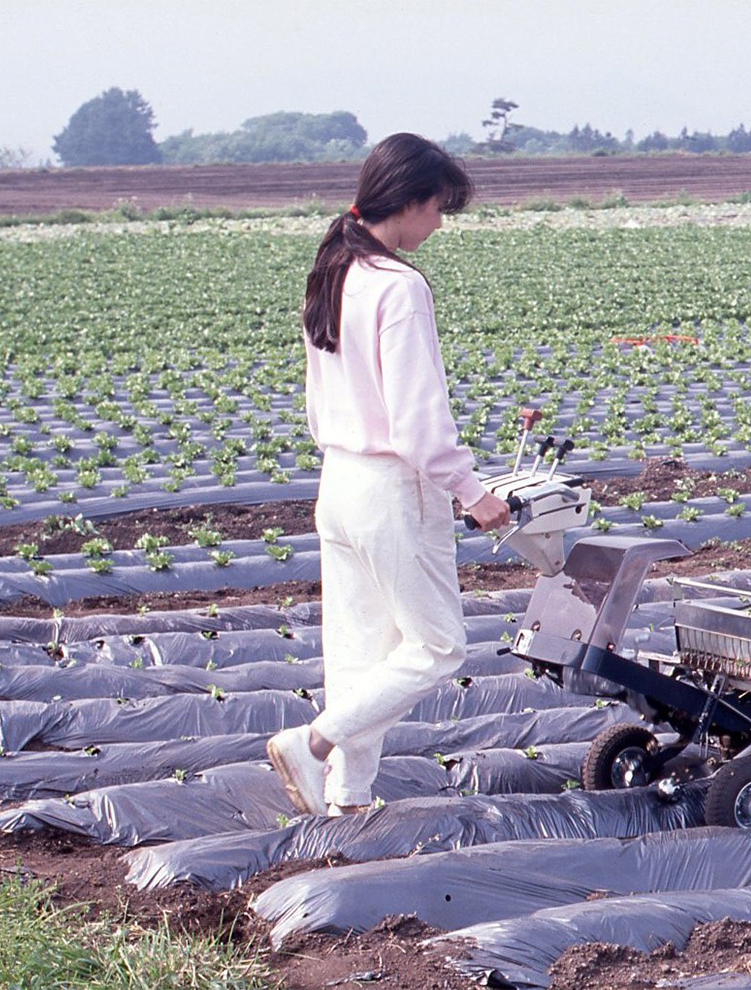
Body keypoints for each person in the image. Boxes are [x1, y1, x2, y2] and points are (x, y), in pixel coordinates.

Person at [266, 133, 511, 817]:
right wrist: (472, 491)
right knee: (437, 645)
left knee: (360, 649)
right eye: (438, 209)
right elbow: (417, 419)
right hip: (393, 488)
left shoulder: (333, 270)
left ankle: (347, 797)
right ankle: (312, 744)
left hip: (339, 481)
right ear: (408, 202)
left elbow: (319, 397)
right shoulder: (399, 288)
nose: (437, 225)